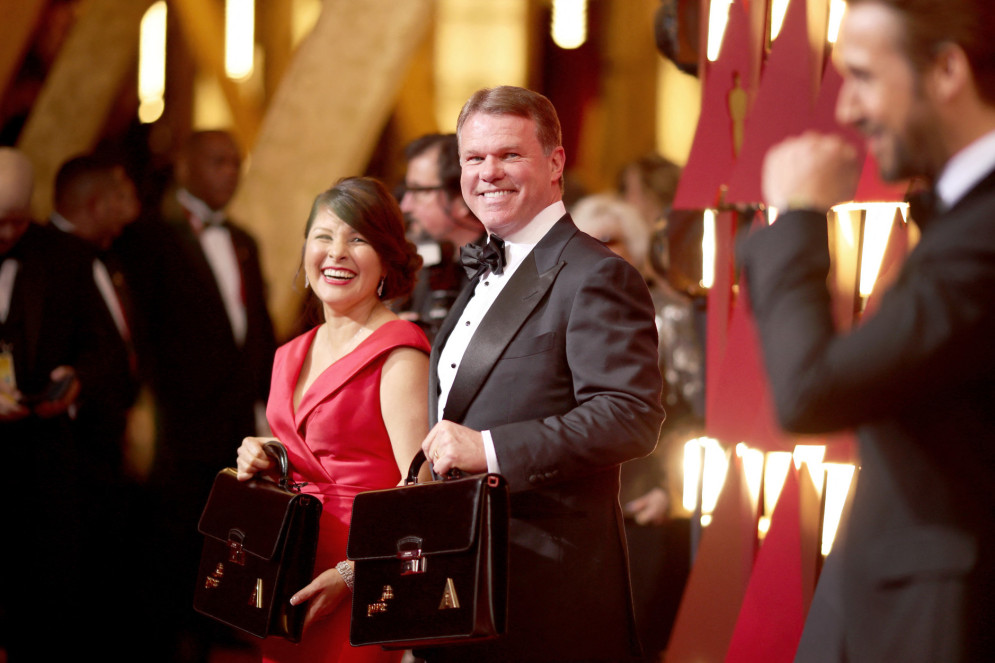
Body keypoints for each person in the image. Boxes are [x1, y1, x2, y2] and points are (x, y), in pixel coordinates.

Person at [739, 1, 995, 661]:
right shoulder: (961, 216)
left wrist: (797, 216)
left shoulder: (983, 232)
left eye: (862, 76)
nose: (847, 109)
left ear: (945, 70)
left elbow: (811, 390)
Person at [418, 86, 664, 662]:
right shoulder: (481, 268)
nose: (488, 173)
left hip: (549, 587)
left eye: (509, 155)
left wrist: (491, 448)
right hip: (469, 576)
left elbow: (630, 416)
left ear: (555, 163)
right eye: (474, 159)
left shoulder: (596, 273)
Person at [235, 177, 429, 663]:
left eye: (358, 239)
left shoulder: (399, 350)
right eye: (324, 236)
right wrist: (265, 454)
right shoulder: (289, 354)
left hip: (363, 576)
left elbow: (420, 489)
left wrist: (350, 575)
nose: (336, 252)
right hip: (288, 569)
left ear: (386, 258)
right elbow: (308, 453)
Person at [116, 129, 277, 660]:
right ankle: (169, 636)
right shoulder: (147, 239)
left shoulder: (243, 241)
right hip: (177, 417)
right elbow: (143, 332)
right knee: (171, 533)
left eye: (235, 163)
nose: (229, 172)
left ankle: (213, 622)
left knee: (227, 533)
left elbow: (257, 329)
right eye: (216, 162)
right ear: (184, 166)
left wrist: (265, 404)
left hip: (234, 419)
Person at [571, 193, 700, 659]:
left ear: (639, 245)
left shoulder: (669, 310)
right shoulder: (563, 307)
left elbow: (696, 411)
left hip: (644, 507)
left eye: (613, 239)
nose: (601, 247)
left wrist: (675, 489)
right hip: (575, 508)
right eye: (589, 239)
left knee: (638, 642)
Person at [0, 147, 111, 658]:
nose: (4, 235)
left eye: (15, 223)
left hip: (44, 459)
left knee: (45, 608)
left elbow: (105, 349)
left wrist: (77, 377)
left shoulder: (66, 257)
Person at [397, 133, 485, 340]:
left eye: (419, 190)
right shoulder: (420, 265)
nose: (405, 205)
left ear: (461, 196)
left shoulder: (498, 267)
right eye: (407, 190)